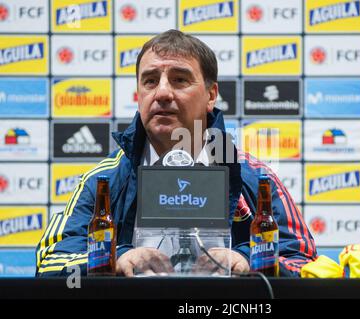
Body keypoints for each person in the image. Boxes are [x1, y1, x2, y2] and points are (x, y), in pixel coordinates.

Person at [36, 29, 316, 277]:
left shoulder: (255, 176)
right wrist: (115, 257)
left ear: (211, 95)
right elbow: (51, 262)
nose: (162, 93)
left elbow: (305, 263)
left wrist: (248, 259)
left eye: (180, 80)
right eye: (150, 81)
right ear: (138, 92)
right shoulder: (104, 180)